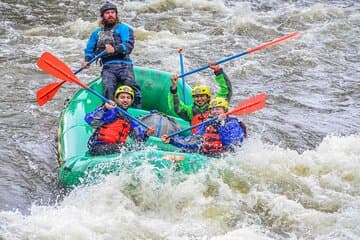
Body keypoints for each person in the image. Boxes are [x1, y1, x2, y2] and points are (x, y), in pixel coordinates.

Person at [82, 1, 142, 108]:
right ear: (103, 16)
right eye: (107, 13)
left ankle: (136, 112)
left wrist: (114, 49)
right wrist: (87, 60)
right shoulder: (96, 33)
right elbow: (89, 49)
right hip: (108, 67)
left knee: (131, 87)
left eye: (113, 12)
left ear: (116, 14)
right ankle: (108, 113)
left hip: (125, 65)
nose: (110, 15)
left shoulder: (124, 28)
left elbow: (128, 45)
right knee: (109, 88)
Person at [161, 97, 246, 156]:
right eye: (212, 109)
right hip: (207, 153)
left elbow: (229, 143)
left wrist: (219, 125)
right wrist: (172, 141)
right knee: (183, 150)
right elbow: (194, 140)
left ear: (225, 110)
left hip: (223, 156)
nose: (214, 112)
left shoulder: (233, 123)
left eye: (218, 109)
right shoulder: (208, 123)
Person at [85, 85, 154, 156]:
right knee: (123, 149)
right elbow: (90, 120)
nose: (125, 100)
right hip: (98, 147)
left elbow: (139, 140)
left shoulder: (130, 119)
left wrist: (147, 134)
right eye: (122, 97)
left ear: (131, 101)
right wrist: (104, 108)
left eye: (128, 98)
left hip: (115, 147)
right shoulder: (110, 111)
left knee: (137, 148)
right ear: (116, 99)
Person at [168, 62, 232, 133]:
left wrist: (218, 71)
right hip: (198, 140)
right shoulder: (190, 111)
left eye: (202, 96)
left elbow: (226, 90)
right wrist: (174, 88)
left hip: (217, 137)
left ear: (208, 97)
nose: (199, 99)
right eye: (196, 97)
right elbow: (176, 107)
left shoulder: (216, 105)